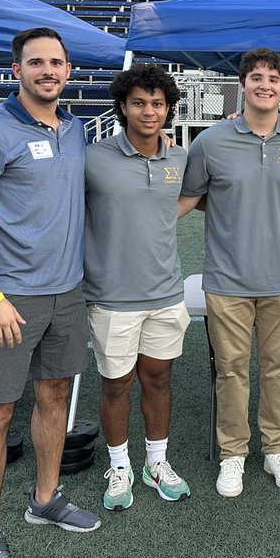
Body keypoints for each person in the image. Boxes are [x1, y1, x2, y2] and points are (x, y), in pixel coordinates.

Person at [0, 27, 99, 558]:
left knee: (55, 394)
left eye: (56, 62)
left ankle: (45, 498)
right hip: (8, 298)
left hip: (68, 291)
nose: (48, 71)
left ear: (67, 70)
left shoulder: (77, 130)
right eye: (36, 62)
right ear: (16, 69)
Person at [183, 48, 280, 498]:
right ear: (242, 84)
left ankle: (276, 448)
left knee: (278, 369)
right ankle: (233, 455)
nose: (265, 85)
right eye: (256, 77)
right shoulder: (210, 141)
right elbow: (190, 197)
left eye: (273, 78)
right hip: (226, 281)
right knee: (230, 370)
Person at [85, 64, 195, 512]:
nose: (149, 112)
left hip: (166, 293)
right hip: (111, 296)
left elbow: (198, 196)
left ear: (168, 109)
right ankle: (118, 465)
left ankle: (156, 463)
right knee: (116, 385)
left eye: (157, 103)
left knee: (159, 379)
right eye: (139, 103)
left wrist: (163, 219)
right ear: (123, 107)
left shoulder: (180, 158)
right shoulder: (93, 158)